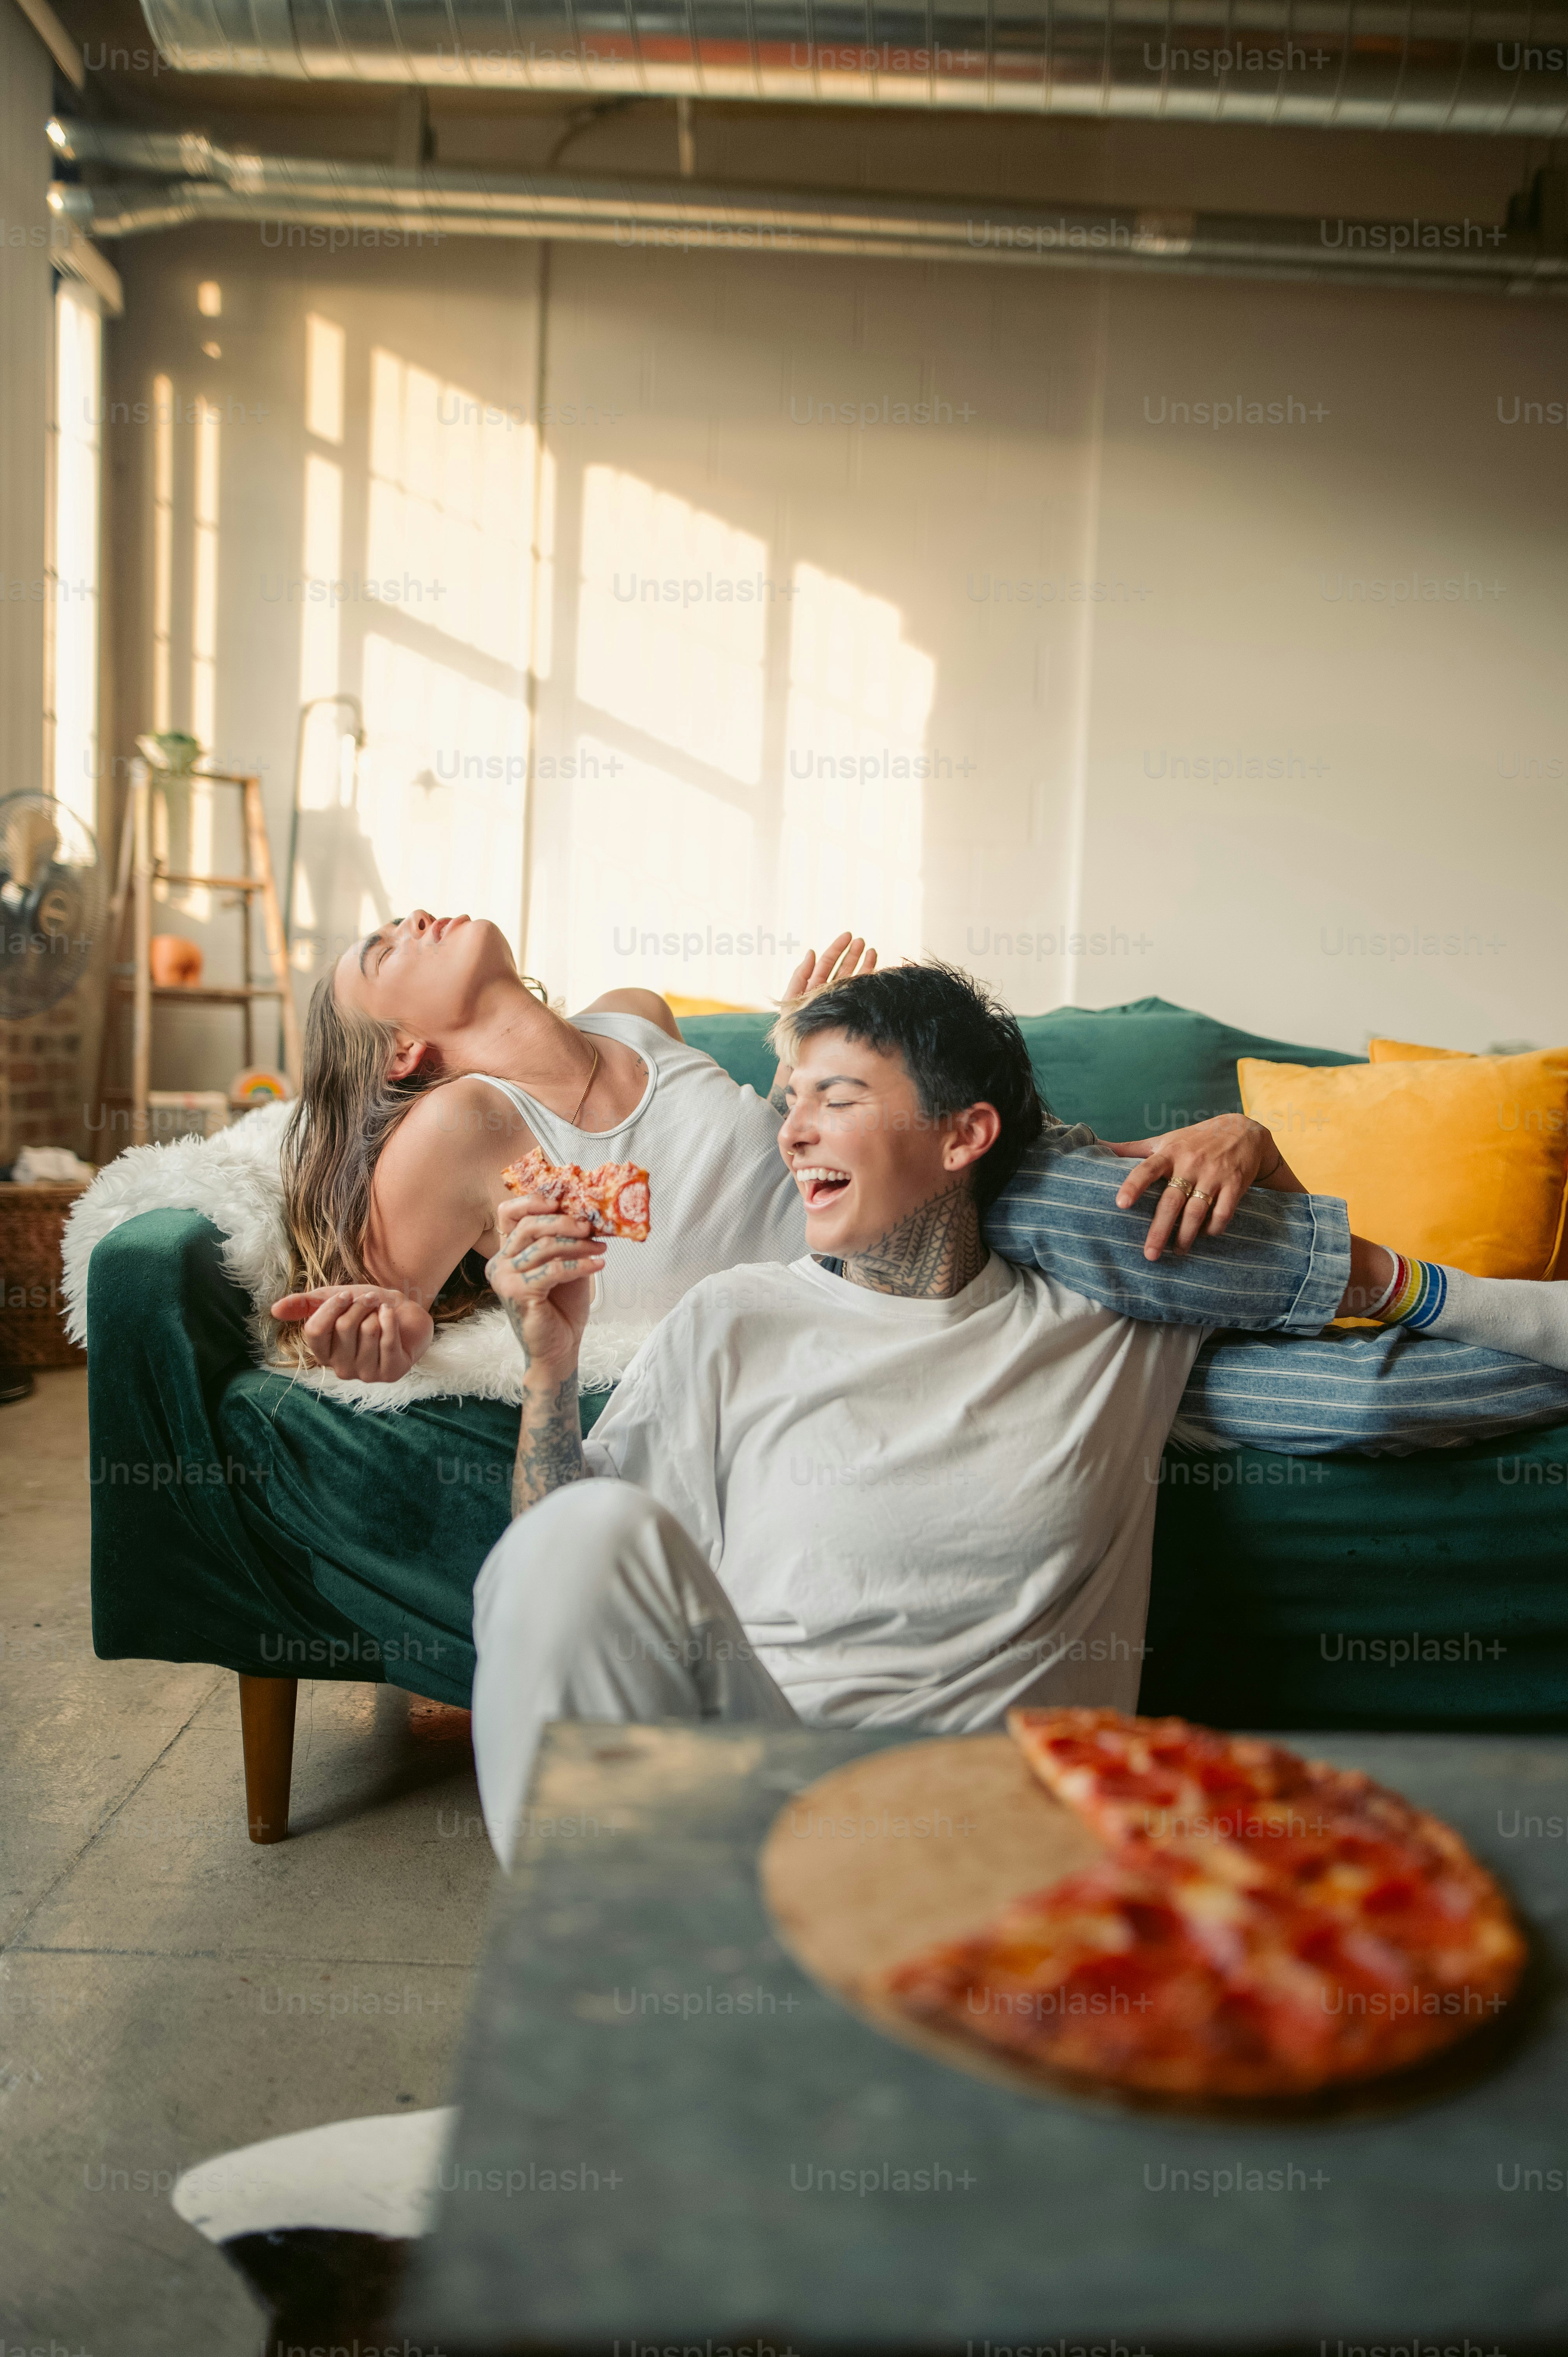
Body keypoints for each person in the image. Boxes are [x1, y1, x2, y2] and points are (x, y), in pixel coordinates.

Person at [470, 961, 1568, 1862]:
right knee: (580, 1532)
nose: (791, 1132)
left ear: (964, 1137)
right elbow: (554, 1582)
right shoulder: (733, 1319)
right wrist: (550, 1365)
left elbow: (1413, 1372)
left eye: (837, 1098)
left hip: (996, 1831)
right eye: (790, 1100)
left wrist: (1264, 1160)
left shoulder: (1111, 1319)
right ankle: (586, 1981)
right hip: (765, 1790)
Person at [267, 906, 1435, 1387]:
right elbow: (356, 1319)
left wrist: (814, 1067)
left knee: (1318, 1370)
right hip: (873, 1284)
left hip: (941, 1209)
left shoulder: (636, 1010)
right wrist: (399, 1326)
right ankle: (1432, 1296)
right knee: (1309, 1366)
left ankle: (1431, 1297)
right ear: (402, 1055)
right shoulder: (459, 1127)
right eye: (381, 951)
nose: (409, 916)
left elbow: (749, 1162)